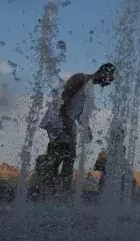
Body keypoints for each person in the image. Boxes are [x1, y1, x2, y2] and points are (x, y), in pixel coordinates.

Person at [38, 63, 116, 194]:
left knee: (67, 157)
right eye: (110, 78)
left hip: (67, 123)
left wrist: (87, 129)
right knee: (59, 157)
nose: (109, 83)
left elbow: (79, 113)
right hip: (58, 121)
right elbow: (65, 97)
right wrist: (66, 121)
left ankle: (59, 191)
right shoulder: (80, 78)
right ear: (103, 73)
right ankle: (52, 191)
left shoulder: (89, 89)